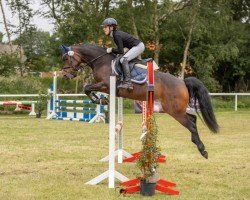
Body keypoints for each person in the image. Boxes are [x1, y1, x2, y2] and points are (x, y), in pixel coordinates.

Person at [101, 17, 145, 90]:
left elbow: (120, 51)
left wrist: (111, 49)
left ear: (111, 27)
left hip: (138, 46)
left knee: (123, 60)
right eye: (104, 27)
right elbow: (122, 49)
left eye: (105, 27)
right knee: (121, 58)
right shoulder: (115, 34)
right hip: (134, 46)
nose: (104, 29)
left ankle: (128, 83)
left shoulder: (116, 35)